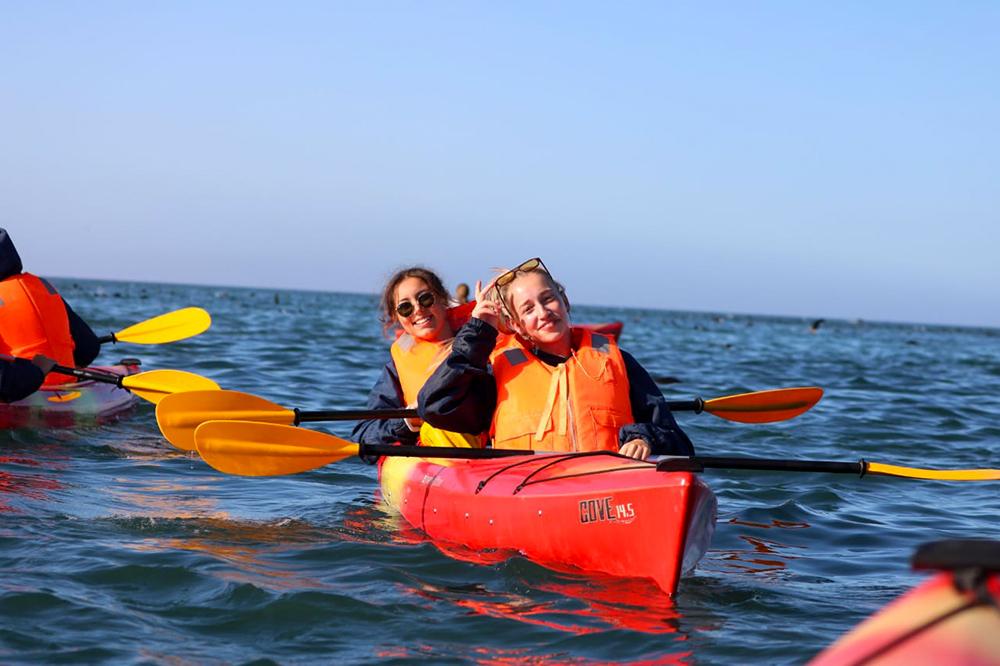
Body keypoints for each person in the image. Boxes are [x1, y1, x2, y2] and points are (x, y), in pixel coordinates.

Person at [418, 257, 694, 460]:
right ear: (515, 324)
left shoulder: (619, 362)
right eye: (528, 309)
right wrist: (478, 331)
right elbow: (435, 406)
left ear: (564, 300)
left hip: (609, 485)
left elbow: (678, 442)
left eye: (548, 299)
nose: (543, 312)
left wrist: (644, 437)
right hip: (528, 488)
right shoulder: (497, 371)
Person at [352, 267, 480, 449]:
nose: (418, 309)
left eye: (425, 299)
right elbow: (365, 435)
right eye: (405, 307)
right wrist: (406, 421)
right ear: (397, 317)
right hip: (432, 458)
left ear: (442, 299)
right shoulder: (396, 367)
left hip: (490, 456)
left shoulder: (483, 344)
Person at [0, 228, 100, 391]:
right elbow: (89, 348)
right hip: (65, 387)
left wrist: (38, 371)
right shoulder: (43, 287)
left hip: (21, 395)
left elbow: (3, 384)